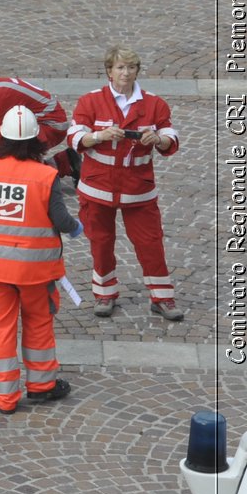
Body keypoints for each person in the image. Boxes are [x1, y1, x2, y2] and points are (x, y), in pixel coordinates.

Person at [0, 105, 80, 414]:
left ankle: (6, 399)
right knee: (38, 323)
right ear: (37, 140)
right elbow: (60, 218)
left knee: (0, 329)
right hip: (35, 270)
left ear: (1, 137)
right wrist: (75, 228)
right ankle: (42, 386)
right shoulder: (45, 175)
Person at [66, 46, 183, 321]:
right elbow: (74, 137)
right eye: (120, 67)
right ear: (109, 71)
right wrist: (99, 135)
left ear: (137, 71)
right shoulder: (90, 101)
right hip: (98, 189)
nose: (125, 73)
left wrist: (158, 139)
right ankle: (104, 294)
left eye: (130, 68)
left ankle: (162, 298)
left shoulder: (155, 104)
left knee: (151, 242)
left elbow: (171, 139)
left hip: (138, 191)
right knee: (101, 242)